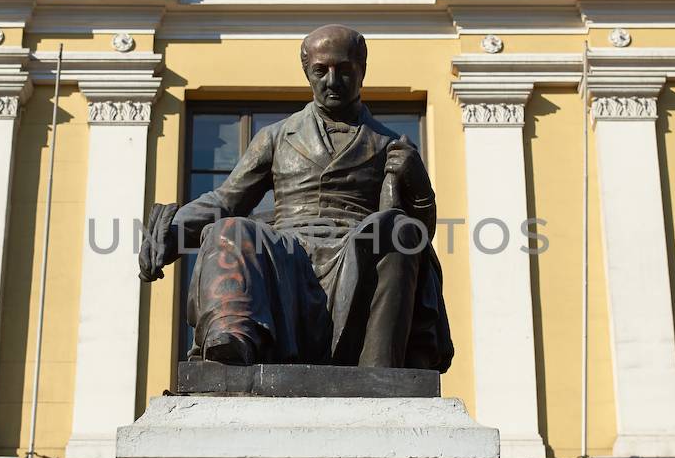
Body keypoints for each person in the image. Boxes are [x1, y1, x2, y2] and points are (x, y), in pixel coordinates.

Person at [139, 24, 453, 371]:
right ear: (307, 71)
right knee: (230, 229)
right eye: (321, 70)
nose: (332, 81)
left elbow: (420, 241)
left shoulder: (389, 144)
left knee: (399, 232)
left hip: (355, 252)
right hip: (286, 253)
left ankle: (380, 376)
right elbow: (227, 200)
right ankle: (232, 339)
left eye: (344, 70)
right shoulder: (275, 136)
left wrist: (420, 189)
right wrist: (171, 233)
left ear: (361, 69)